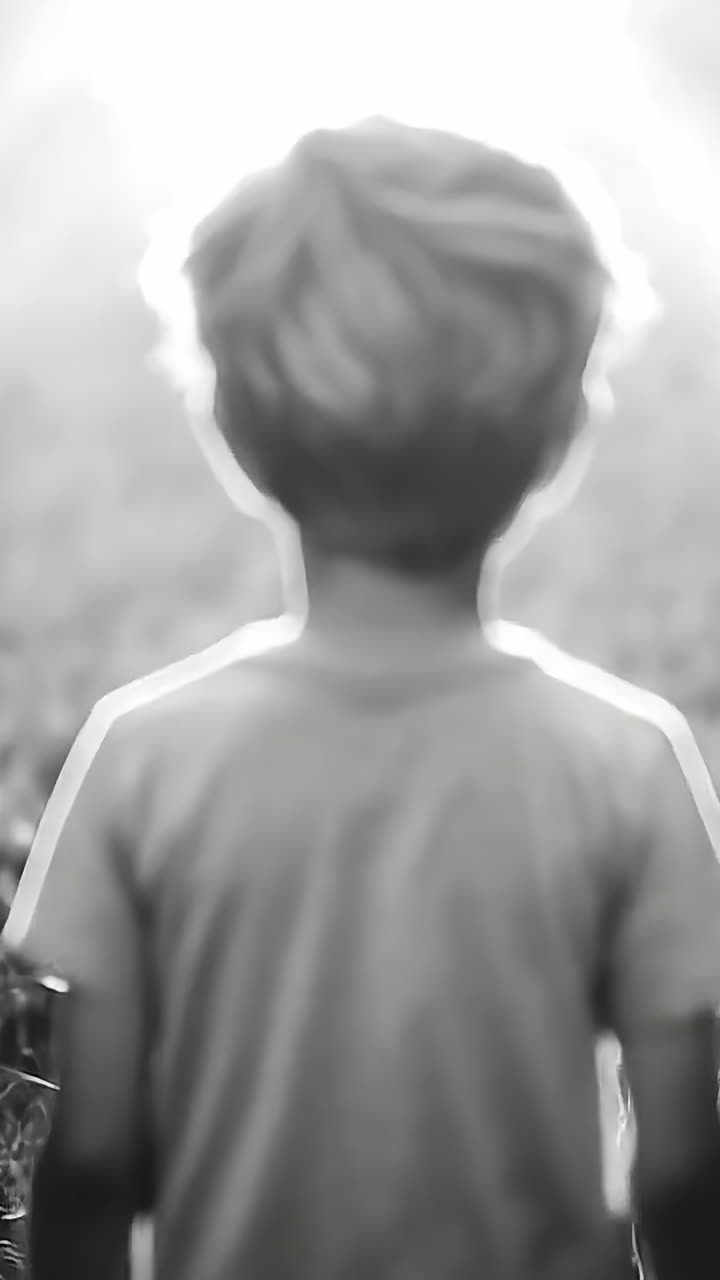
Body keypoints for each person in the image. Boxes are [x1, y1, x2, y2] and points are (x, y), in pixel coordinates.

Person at [3, 115, 720, 1280]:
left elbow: (88, 1160)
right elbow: (683, 1171)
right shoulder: (631, 759)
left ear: (229, 423)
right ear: (563, 434)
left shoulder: (140, 752)